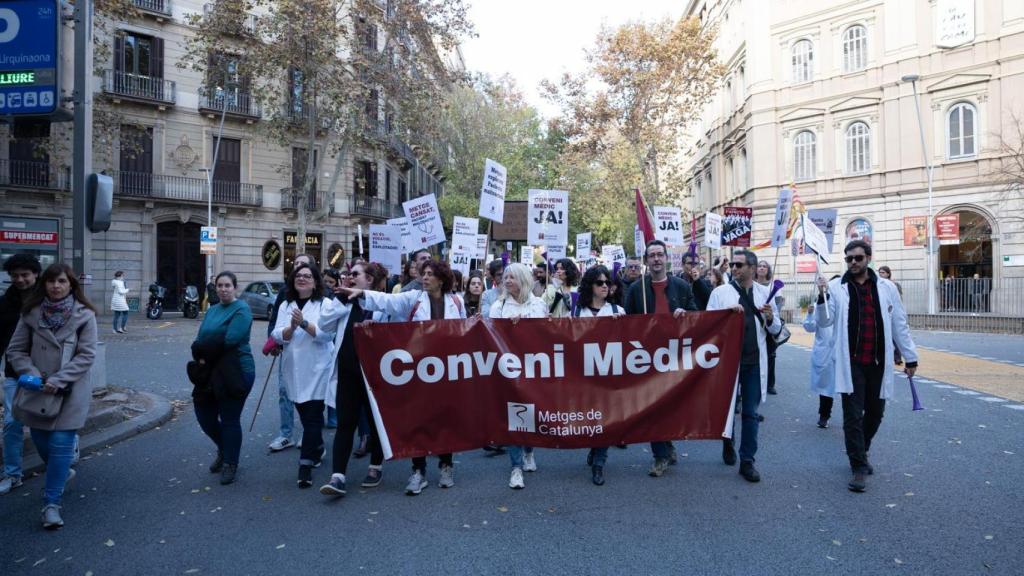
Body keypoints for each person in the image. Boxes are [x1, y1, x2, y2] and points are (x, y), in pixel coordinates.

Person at [342, 259, 466, 495]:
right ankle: (418, 471)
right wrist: (362, 293)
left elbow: (463, 331)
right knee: (419, 419)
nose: (425, 278)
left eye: (430, 274)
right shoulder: (413, 299)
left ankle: (446, 465)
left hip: (447, 371)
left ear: (442, 279)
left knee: (445, 419)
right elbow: (389, 301)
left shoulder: (457, 302)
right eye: (424, 273)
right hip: (419, 369)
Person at [815, 240, 919, 493]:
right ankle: (858, 467)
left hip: (877, 361)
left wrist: (910, 356)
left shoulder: (886, 288)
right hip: (851, 363)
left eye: (858, 258)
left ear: (868, 258)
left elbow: (899, 323)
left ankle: (862, 449)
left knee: (875, 412)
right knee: (852, 415)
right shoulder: (838, 288)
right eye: (849, 259)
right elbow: (824, 321)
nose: (853, 263)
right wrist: (822, 296)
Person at [7, 263, 98, 529]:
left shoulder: (85, 315)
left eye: (61, 281)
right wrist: (33, 374)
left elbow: (87, 354)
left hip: (69, 390)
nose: (56, 286)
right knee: (43, 443)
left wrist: (57, 380)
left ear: (71, 285)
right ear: (43, 284)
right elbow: (16, 351)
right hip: (37, 391)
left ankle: (51, 504)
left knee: (60, 445)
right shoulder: (31, 313)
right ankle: (60, 473)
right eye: (51, 282)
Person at [707, 250, 781, 483]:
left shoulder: (766, 293)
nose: (734, 268)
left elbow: (776, 329)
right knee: (727, 410)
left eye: (739, 265)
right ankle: (727, 441)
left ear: (752, 267)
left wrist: (769, 318)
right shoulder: (720, 293)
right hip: (728, 363)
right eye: (733, 265)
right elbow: (708, 326)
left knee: (750, 413)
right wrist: (726, 315)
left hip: (753, 363)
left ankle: (747, 461)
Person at [624, 240, 697, 478]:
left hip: (676, 356)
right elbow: (627, 322)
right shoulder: (637, 290)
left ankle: (667, 443)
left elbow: (697, 317)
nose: (656, 259)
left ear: (666, 258)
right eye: (651, 256)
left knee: (672, 405)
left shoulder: (681, 287)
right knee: (653, 406)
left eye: (659, 255)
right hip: (646, 358)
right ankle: (660, 455)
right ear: (646, 261)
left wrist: (685, 315)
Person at [317, 262, 391, 497]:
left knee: (376, 422)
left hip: (374, 376)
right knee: (345, 424)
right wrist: (342, 300)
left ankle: (375, 466)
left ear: (368, 280)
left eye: (355, 274)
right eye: (349, 274)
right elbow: (324, 324)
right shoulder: (342, 303)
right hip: (347, 373)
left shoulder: (382, 304)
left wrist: (377, 330)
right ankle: (338, 476)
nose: (350, 277)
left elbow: (396, 332)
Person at [270, 264, 335, 488]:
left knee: (313, 417)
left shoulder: (325, 304)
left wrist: (304, 324)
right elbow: (276, 334)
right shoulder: (286, 304)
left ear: (316, 282)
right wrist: (290, 328)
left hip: (317, 369)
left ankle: (305, 466)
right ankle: (316, 447)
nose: (302, 279)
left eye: (308, 276)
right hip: (293, 369)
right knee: (304, 413)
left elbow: (327, 335)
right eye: (298, 276)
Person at [190, 271, 254, 486]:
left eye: (228, 285)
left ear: (235, 287)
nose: (224, 289)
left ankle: (230, 463)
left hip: (236, 371)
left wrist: (203, 348)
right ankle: (225, 448)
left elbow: (230, 340)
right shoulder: (212, 310)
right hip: (211, 371)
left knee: (229, 419)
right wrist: (203, 347)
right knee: (204, 416)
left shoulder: (242, 309)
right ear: (215, 288)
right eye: (220, 285)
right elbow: (199, 339)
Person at [489, 263, 548, 489]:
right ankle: (515, 467)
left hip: (535, 368)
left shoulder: (539, 304)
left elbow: (545, 335)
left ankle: (529, 451)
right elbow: (491, 335)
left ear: (523, 279)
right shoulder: (499, 306)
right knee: (514, 417)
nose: (507, 280)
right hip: (509, 370)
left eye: (512, 276)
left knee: (531, 414)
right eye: (505, 276)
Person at [573, 265, 624, 486]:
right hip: (584, 374)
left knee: (604, 418)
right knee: (590, 416)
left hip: (608, 374)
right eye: (600, 283)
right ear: (590, 286)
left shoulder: (617, 311)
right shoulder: (576, 312)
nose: (605, 286)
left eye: (607, 283)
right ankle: (594, 448)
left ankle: (599, 463)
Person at [0, 254, 41, 497]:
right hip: (14, 371)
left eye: (25, 275)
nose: (20, 279)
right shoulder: (5, 304)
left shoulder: (47, 300)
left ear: (35, 274)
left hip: (45, 371)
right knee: (11, 422)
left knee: (50, 419)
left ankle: (68, 450)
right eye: (15, 276)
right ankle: (13, 473)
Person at [268, 254, 313, 452]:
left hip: (310, 354)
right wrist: (273, 341)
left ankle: (307, 433)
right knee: (284, 392)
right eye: (295, 264)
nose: (298, 269)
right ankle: (286, 434)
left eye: (303, 265)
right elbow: (275, 320)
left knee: (307, 395)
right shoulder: (285, 294)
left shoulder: (322, 296)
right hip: (287, 350)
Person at [802, 278, 839, 429]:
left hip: (842, 353)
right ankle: (824, 415)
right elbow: (810, 327)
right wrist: (810, 315)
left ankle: (854, 417)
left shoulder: (847, 305)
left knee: (850, 387)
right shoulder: (822, 304)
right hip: (826, 353)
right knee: (827, 387)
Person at [755, 261, 780, 395]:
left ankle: (770, 383)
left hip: (769, 322)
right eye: (760, 266)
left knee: (771, 354)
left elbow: (778, 303)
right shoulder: (750, 285)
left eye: (765, 266)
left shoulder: (772, 286)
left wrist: (772, 317)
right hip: (757, 322)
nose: (762, 268)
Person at [877, 266, 904, 366]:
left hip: (892, 314)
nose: (881, 274)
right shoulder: (877, 285)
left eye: (883, 272)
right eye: (880, 272)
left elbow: (898, 300)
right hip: (882, 315)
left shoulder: (894, 285)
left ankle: (897, 357)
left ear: (888, 273)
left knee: (895, 337)